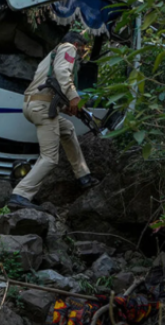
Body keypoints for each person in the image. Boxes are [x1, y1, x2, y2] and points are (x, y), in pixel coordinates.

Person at [8, 31, 100, 211]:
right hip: (42, 108)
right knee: (50, 158)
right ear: (76, 43)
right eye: (83, 49)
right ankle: (20, 194)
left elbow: (50, 84)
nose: (82, 54)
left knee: (68, 129)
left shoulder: (52, 55)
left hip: (33, 104)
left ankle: (83, 176)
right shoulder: (68, 48)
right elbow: (62, 74)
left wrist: (66, 107)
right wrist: (74, 98)